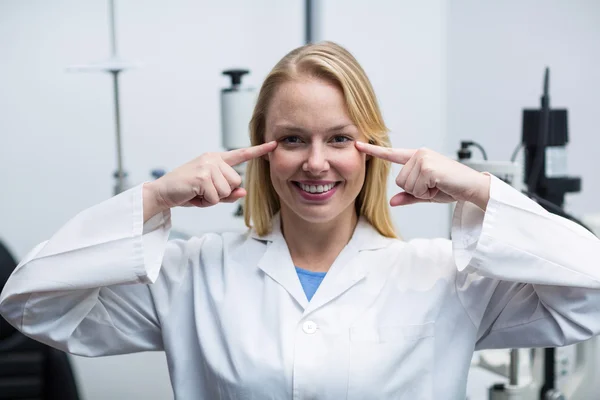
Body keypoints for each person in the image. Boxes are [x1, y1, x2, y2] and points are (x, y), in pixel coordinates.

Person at [1, 41, 600, 400]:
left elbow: (590, 297)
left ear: (371, 148)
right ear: (261, 150)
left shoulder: (446, 278)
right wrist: (155, 198)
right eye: (292, 139)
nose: (316, 162)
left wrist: (477, 188)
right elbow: (31, 304)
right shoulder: (194, 275)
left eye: (339, 138)